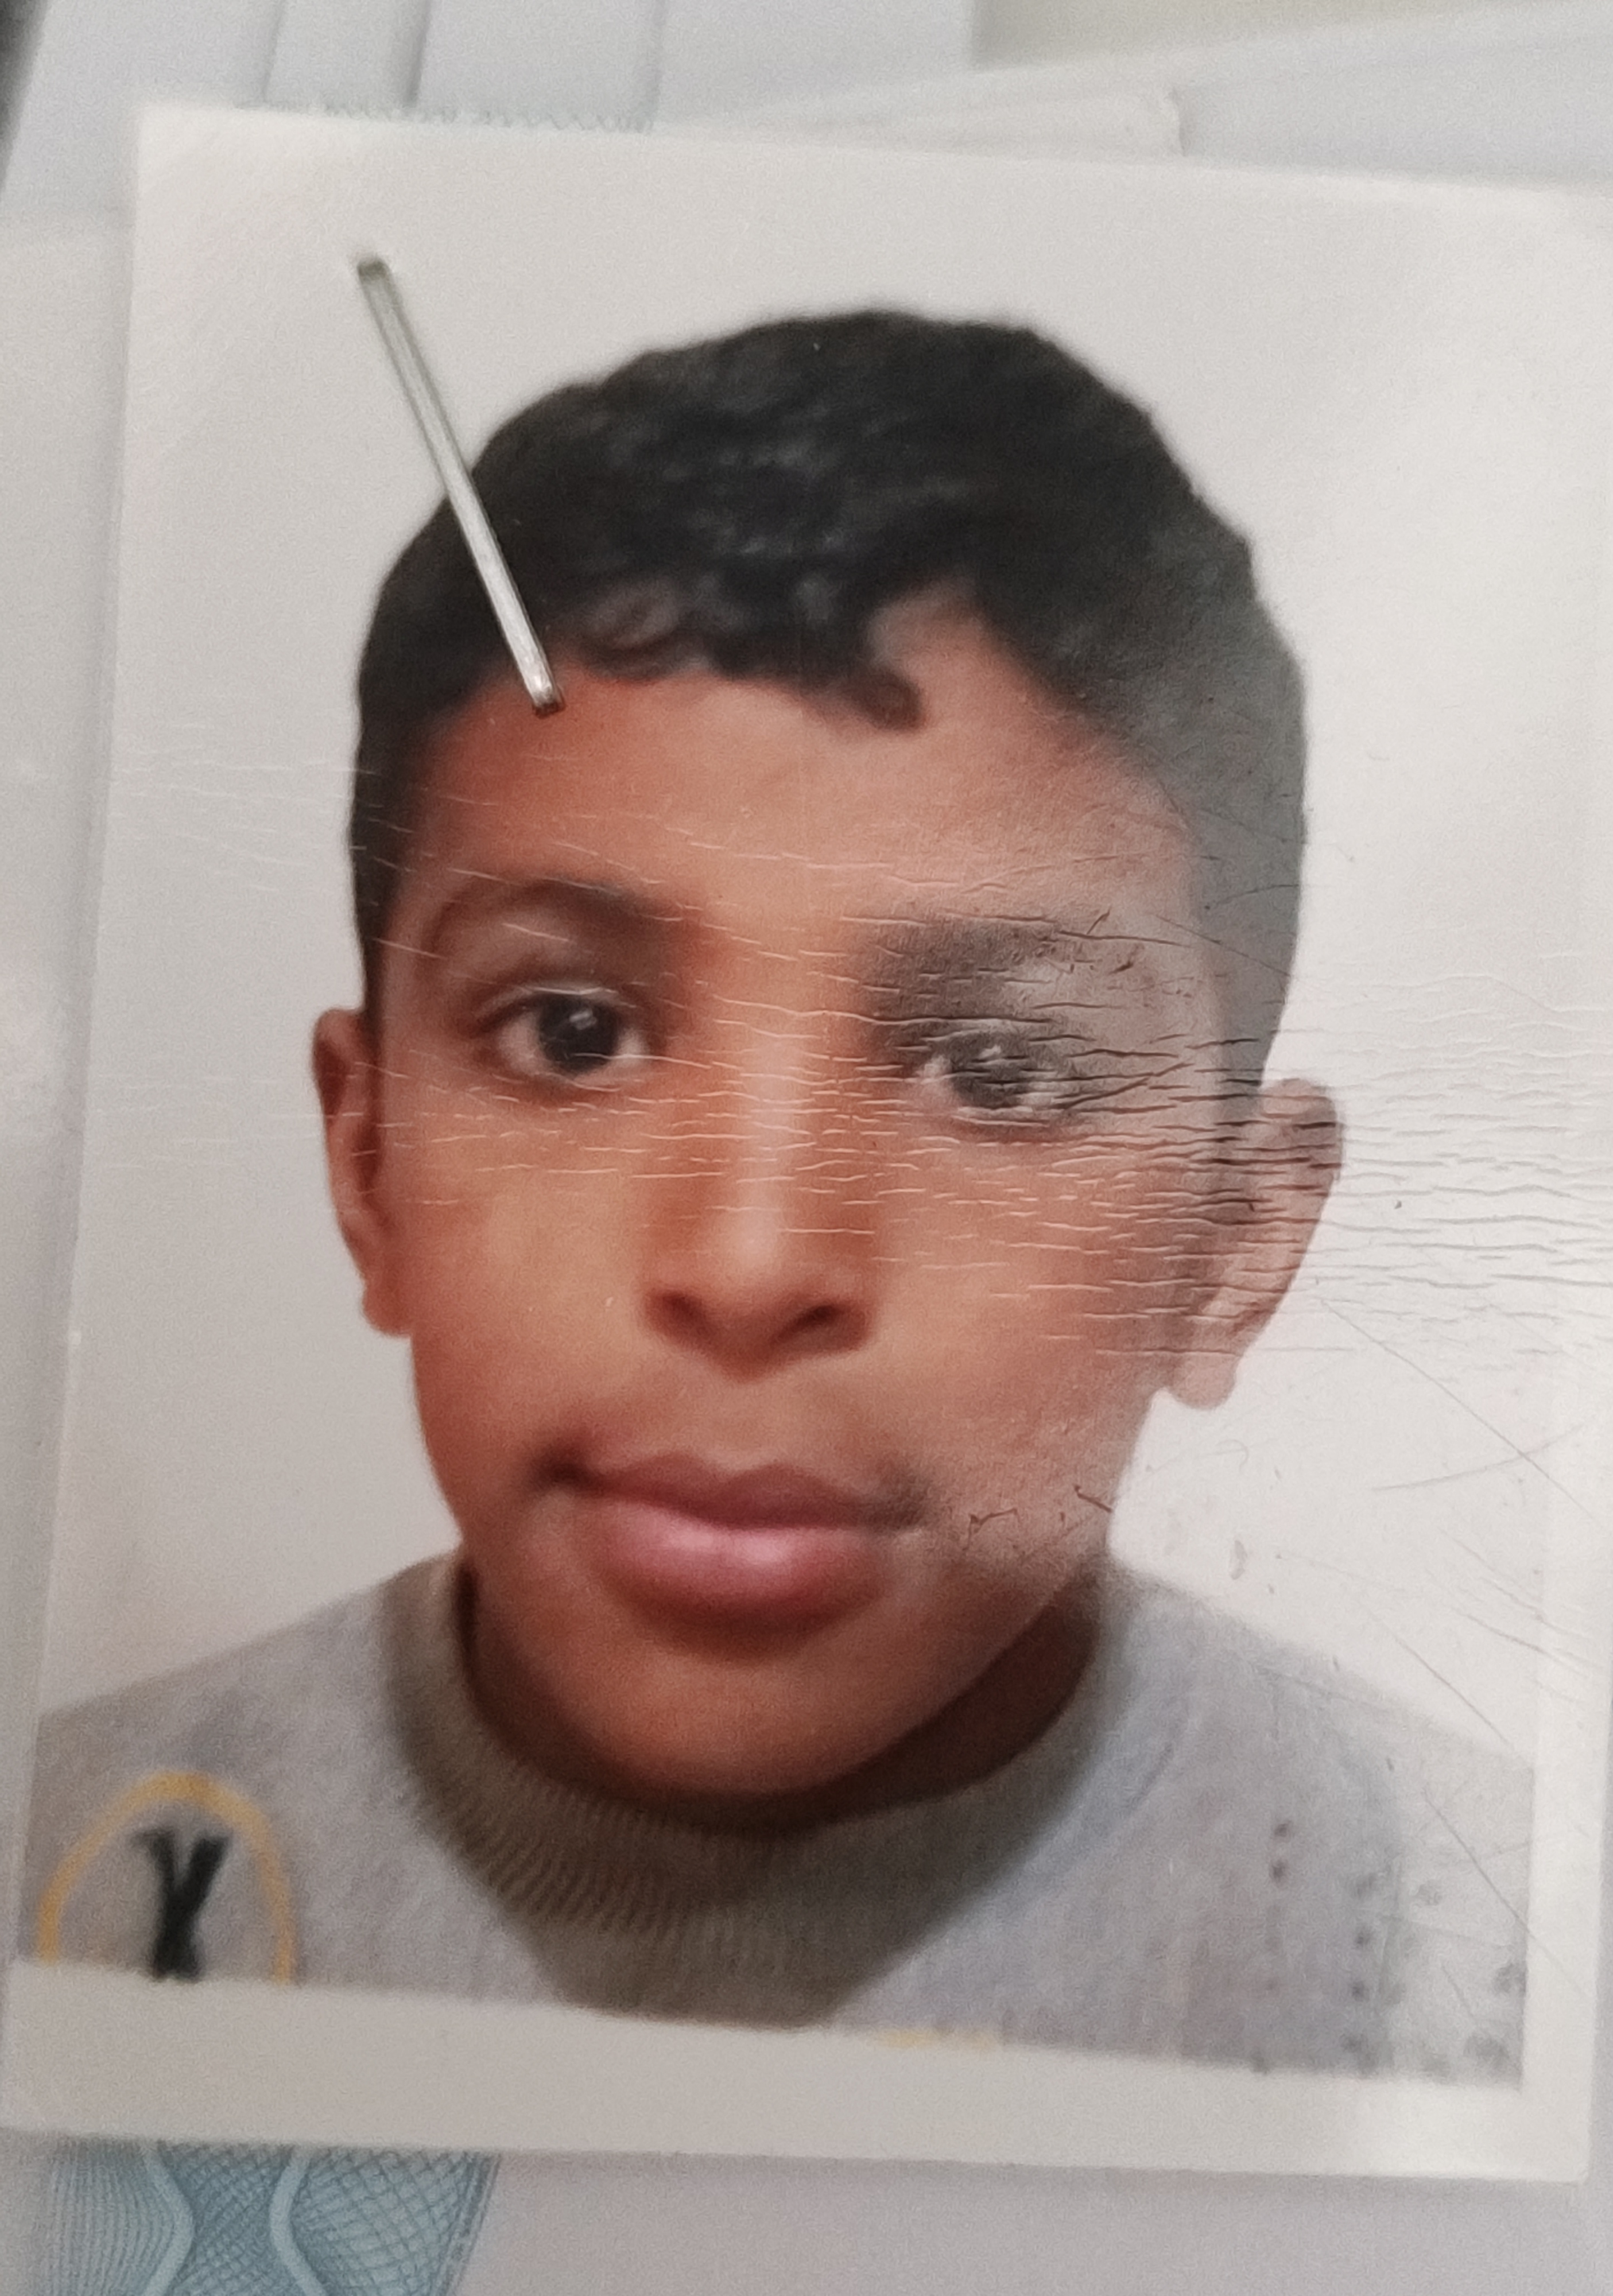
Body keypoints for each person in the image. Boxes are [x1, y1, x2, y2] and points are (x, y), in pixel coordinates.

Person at [20, 311, 1527, 2078]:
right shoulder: (60, 1867)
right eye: (574, 1034)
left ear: (1229, 1242)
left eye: (997, 1073)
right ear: (369, 1164)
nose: (748, 1266)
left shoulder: (1487, 1961)